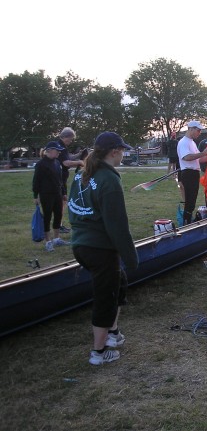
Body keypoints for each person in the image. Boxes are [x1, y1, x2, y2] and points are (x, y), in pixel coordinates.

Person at [67, 131, 139, 365]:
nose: (123, 155)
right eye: (122, 151)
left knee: (119, 283)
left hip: (82, 245)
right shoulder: (109, 181)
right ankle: (98, 353)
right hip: (98, 248)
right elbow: (117, 225)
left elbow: (73, 208)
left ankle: (113, 334)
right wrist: (131, 257)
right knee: (105, 297)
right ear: (114, 152)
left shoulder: (81, 173)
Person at [32, 141, 70, 252]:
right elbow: (36, 181)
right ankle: (48, 241)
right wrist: (36, 195)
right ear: (48, 151)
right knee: (47, 217)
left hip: (57, 193)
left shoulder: (57, 162)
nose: (59, 152)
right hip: (46, 194)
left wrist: (63, 193)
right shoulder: (41, 164)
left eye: (59, 150)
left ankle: (57, 239)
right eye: (57, 150)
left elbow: (60, 180)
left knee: (58, 215)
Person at [177, 121, 207, 225]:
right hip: (188, 173)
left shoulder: (192, 142)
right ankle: (186, 222)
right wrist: (203, 153)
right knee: (189, 200)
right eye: (198, 130)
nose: (199, 133)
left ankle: (188, 220)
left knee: (192, 200)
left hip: (194, 173)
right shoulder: (183, 142)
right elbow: (187, 157)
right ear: (191, 129)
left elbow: (198, 159)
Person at [56, 127, 85, 233]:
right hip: (59, 178)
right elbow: (65, 162)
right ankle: (58, 225)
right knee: (62, 201)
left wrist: (79, 155)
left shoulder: (59, 145)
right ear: (66, 137)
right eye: (71, 139)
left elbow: (68, 157)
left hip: (60, 178)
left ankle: (58, 224)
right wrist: (80, 162)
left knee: (62, 200)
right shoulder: (61, 147)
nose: (71, 141)